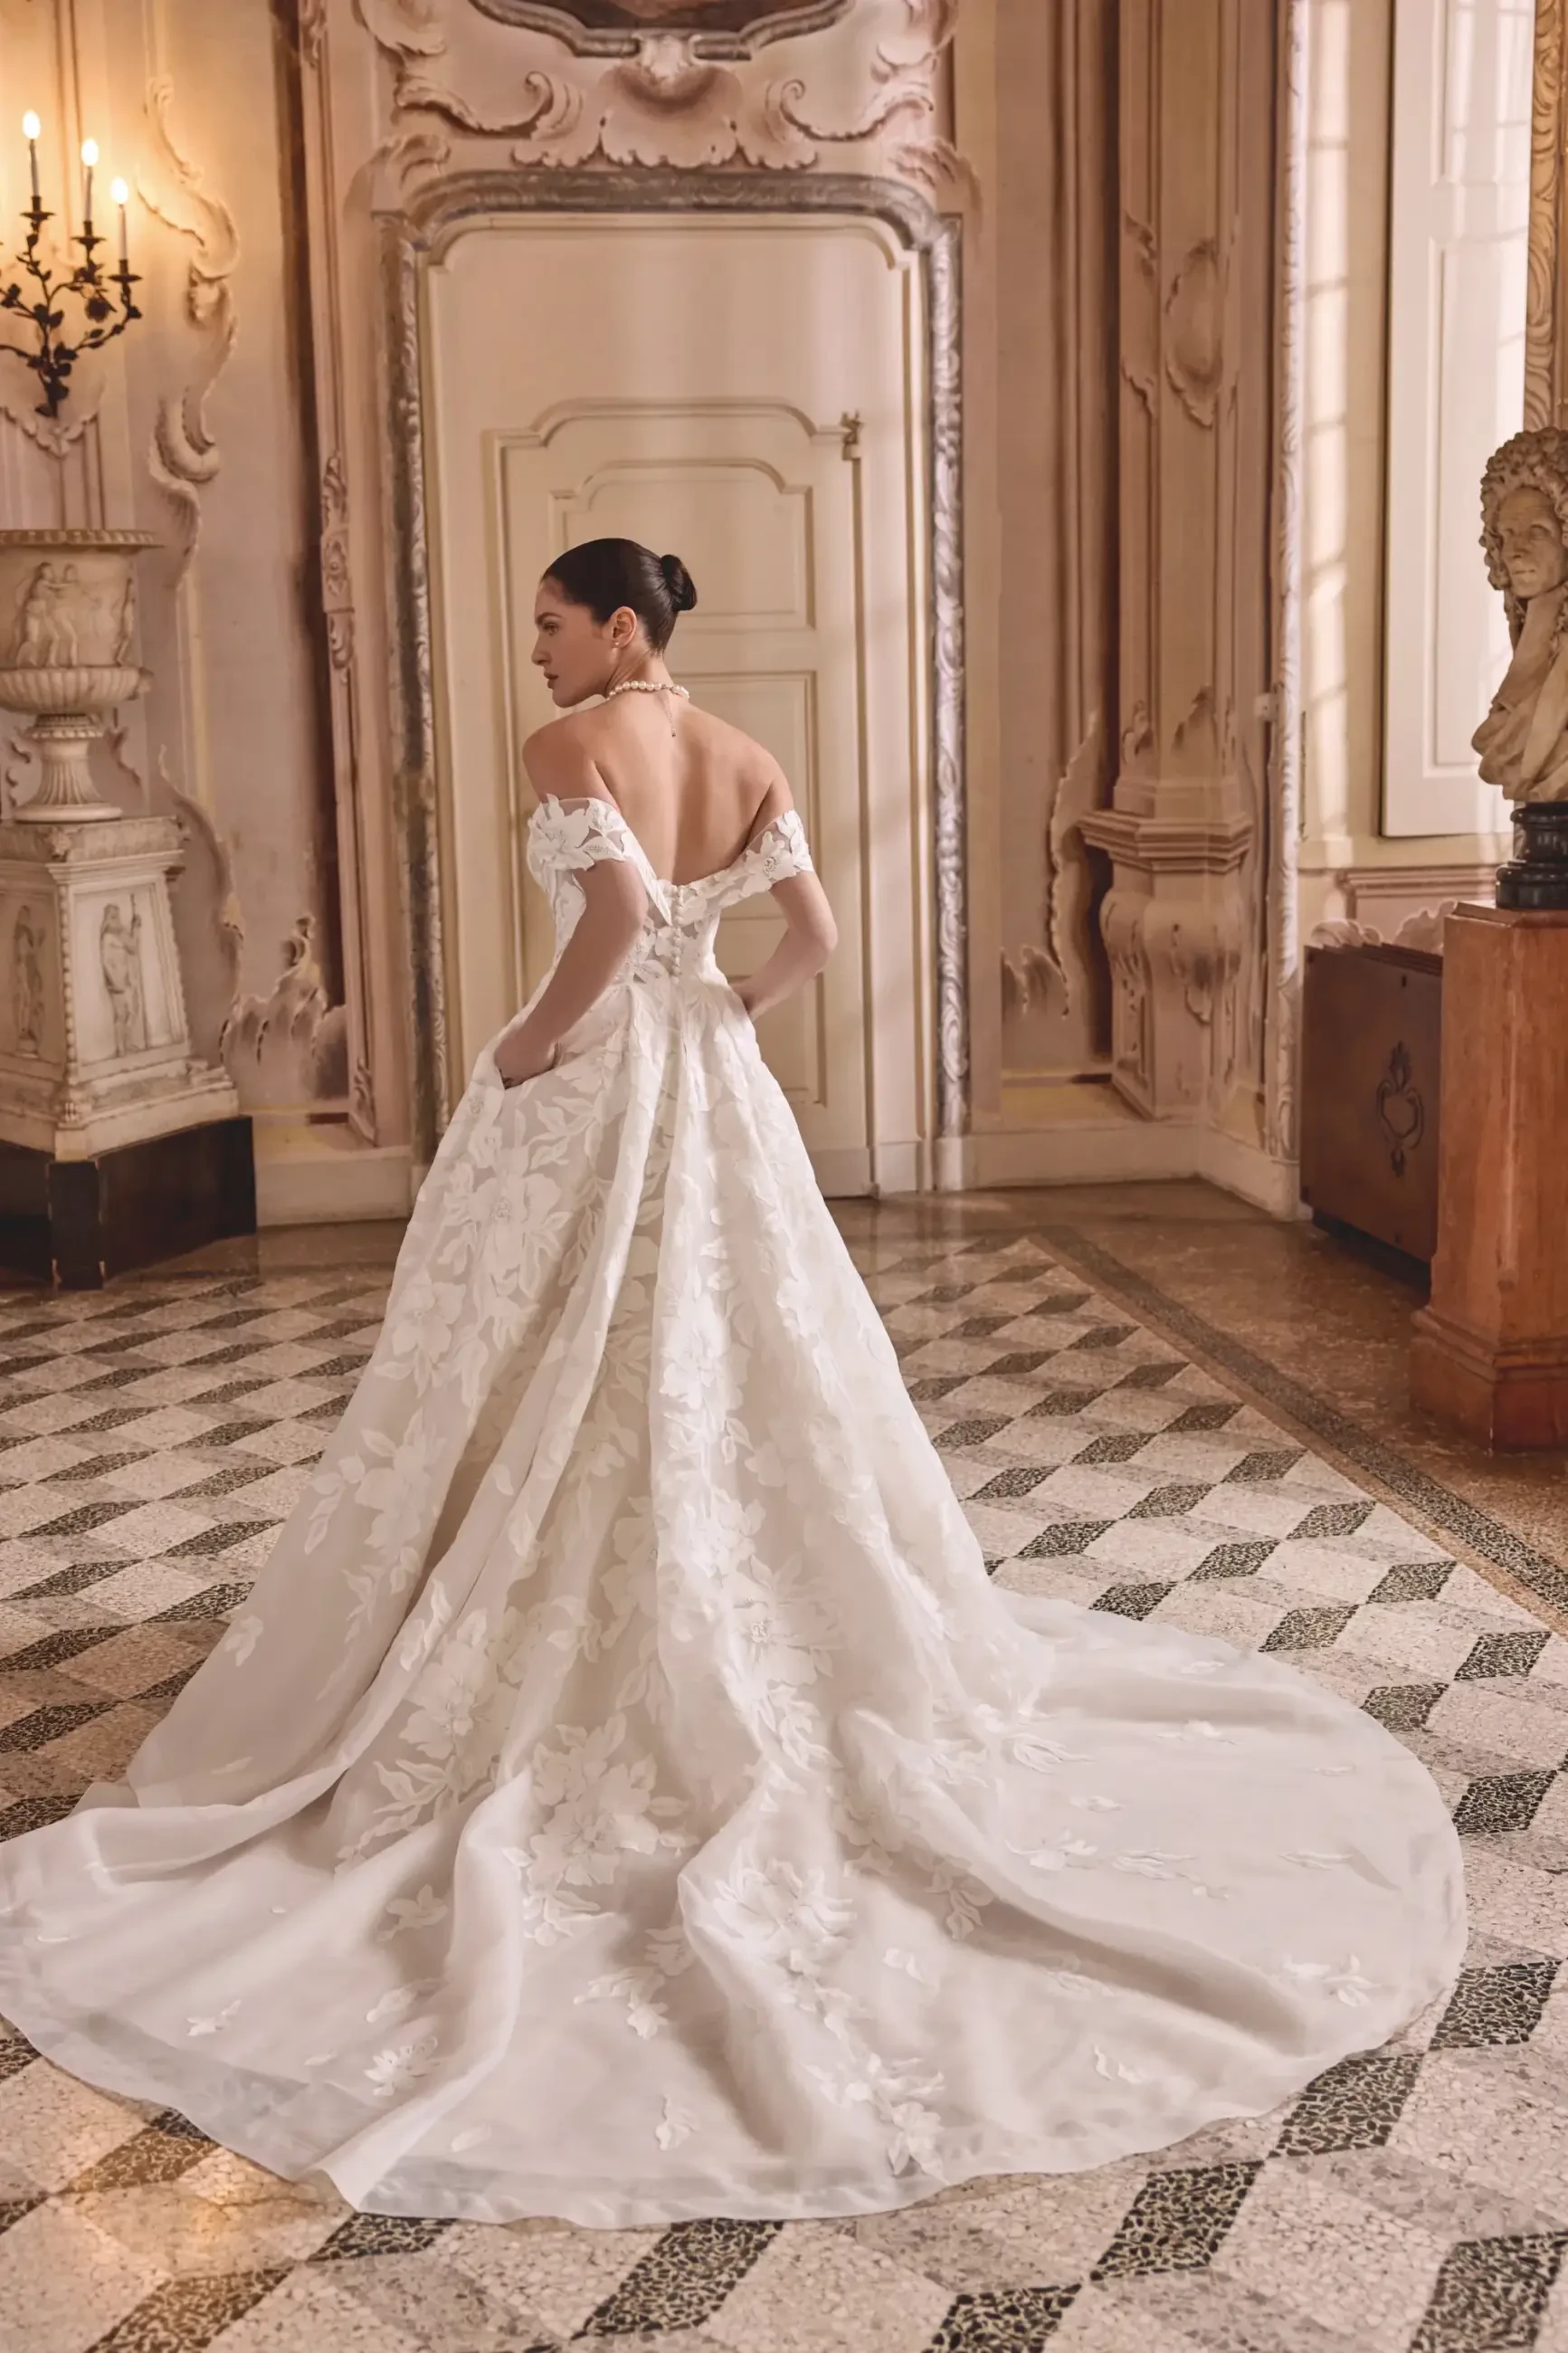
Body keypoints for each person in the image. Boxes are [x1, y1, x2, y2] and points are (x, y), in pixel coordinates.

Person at [0, 537, 1465, 2231]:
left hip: (602, 1076)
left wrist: (535, 1043)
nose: (537, 652)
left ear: (620, 629)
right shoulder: (748, 753)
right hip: (708, 1070)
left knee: (566, 1338)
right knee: (732, 1345)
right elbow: (813, 935)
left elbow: (618, 916)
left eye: (551, 624)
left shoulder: (571, 745)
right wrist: (730, 1008)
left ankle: (531, 1613)